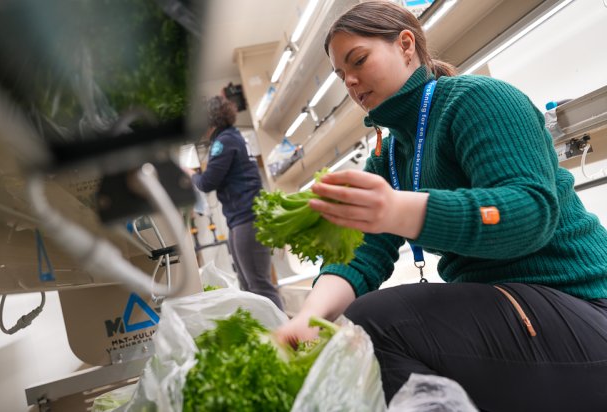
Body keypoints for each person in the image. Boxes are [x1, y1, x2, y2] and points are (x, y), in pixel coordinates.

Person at [274, 2, 607, 411]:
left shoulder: (479, 100)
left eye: (358, 60)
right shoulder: (391, 154)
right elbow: (361, 253)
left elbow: (528, 212)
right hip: (517, 312)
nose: (352, 81)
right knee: (352, 330)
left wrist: (398, 209)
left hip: (580, 306)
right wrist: (311, 315)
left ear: (406, 45)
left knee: (376, 322)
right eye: (341, 75)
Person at [184, 95, 283, 309]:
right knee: (249, 286)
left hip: (248, 219)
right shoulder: (231, 138)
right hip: (241, 219)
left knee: (259, 285)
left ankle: (286, 336)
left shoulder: (224, 141)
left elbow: (207, 182)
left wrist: (190, 173)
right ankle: (267, 332)